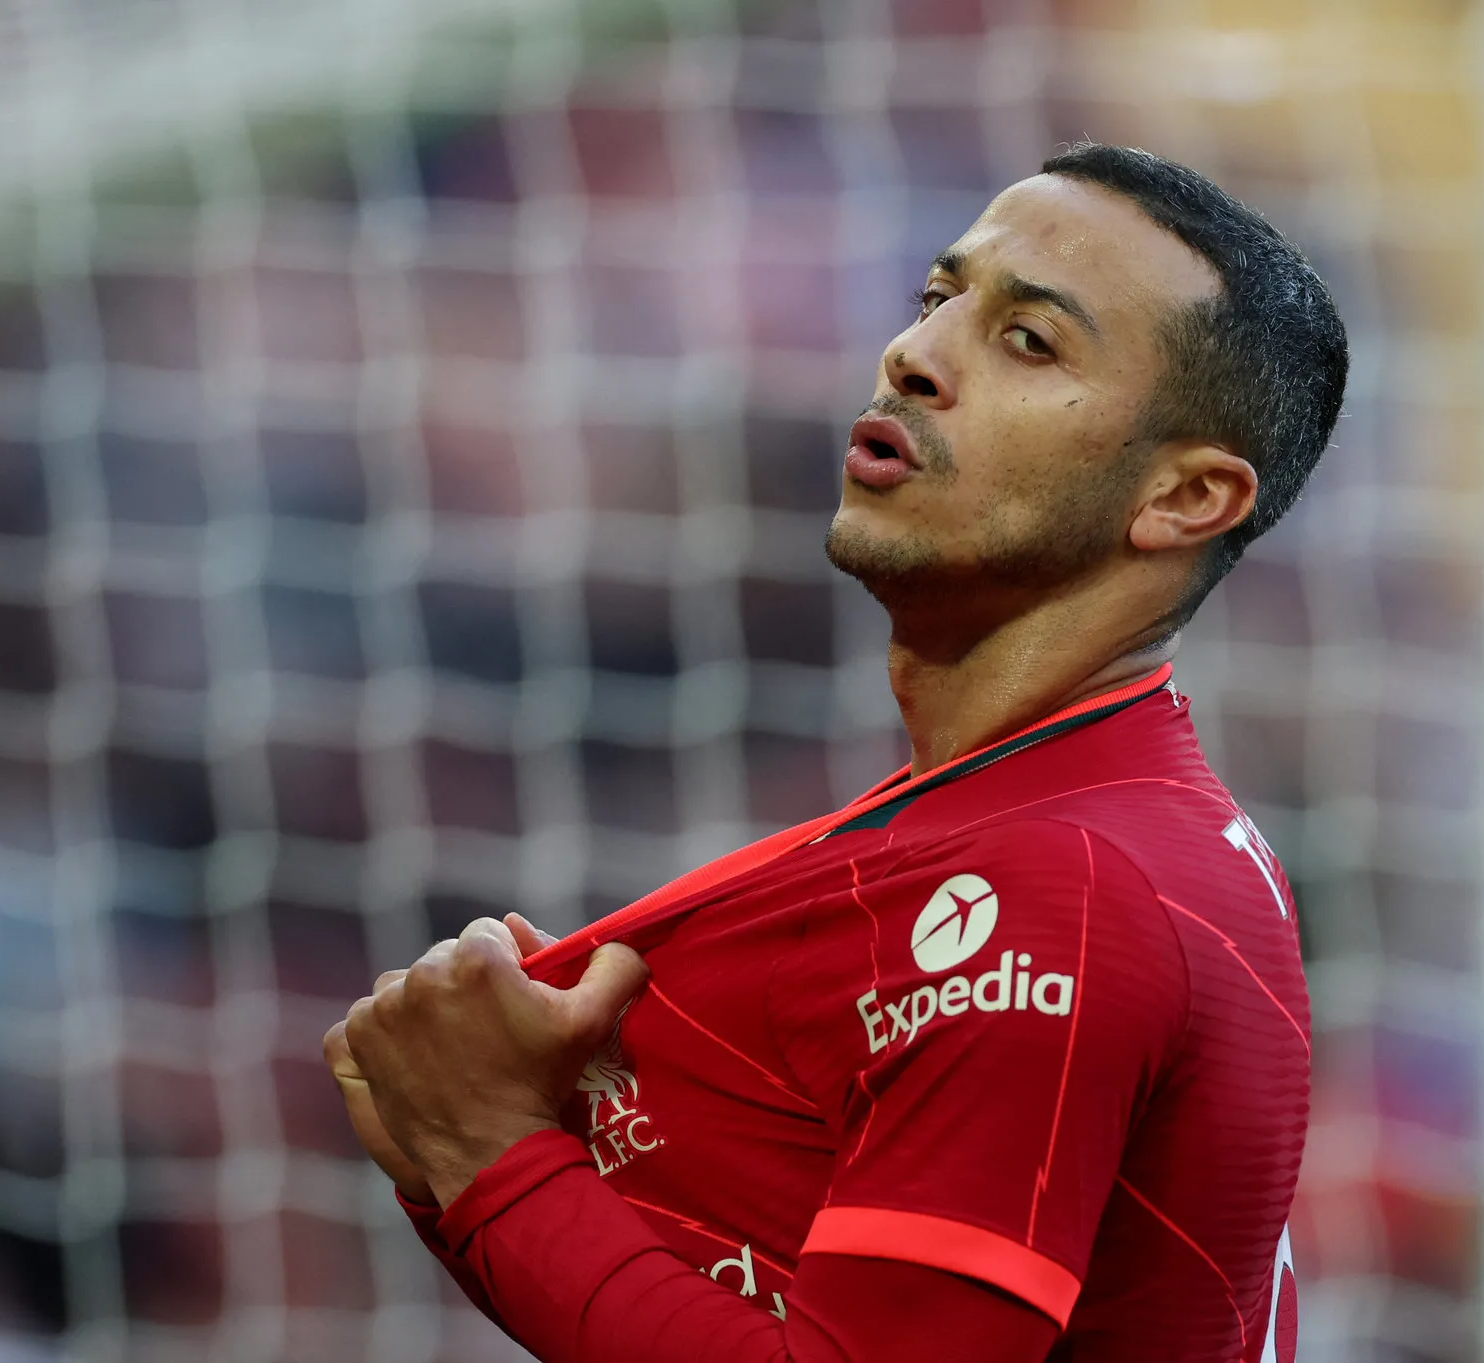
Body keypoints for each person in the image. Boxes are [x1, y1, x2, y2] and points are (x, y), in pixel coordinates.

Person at [326, 142, 1347, 1362]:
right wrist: (483, 1137)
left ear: (1184, 499)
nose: (913, 354)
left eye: (1028, 341)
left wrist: (491, 1157)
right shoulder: (1077, 827)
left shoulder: (1062, 888)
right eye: (937, 296)